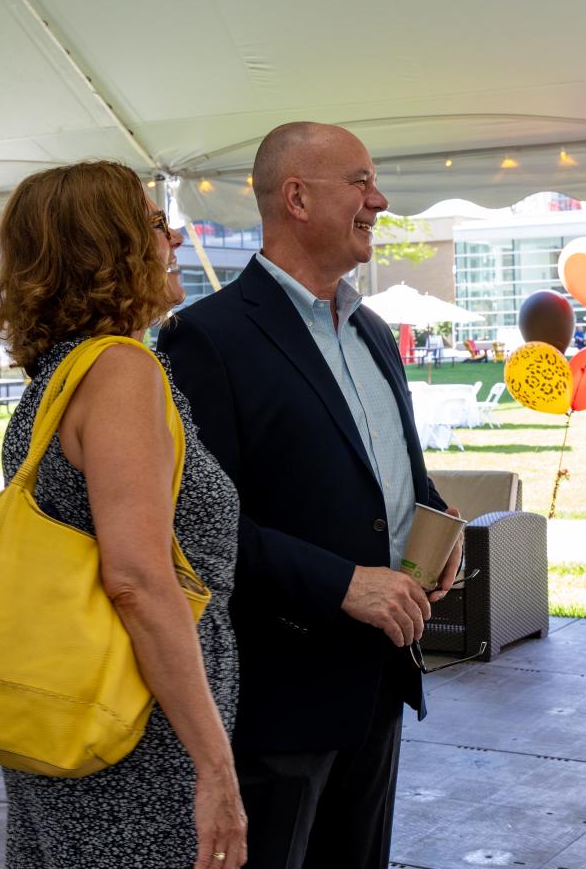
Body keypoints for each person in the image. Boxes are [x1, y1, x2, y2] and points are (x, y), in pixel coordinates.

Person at [158, 122, 463, 869]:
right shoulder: (207, 338)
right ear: (296, 197)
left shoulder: (374, 333)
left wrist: (434, 521)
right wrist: (341, 586)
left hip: (379, 681)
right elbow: (198, 528)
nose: (379, 199)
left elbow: (393, 469)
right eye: (360, 182)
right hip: (279, 700)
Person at [0, 161, 247, 869]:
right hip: (139, 725)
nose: (178, 239)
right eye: (159, 226)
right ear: (113, 249)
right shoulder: (120, 373)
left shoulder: (60, 378)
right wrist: (216, 768)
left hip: (72, 702)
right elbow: (136, 576)